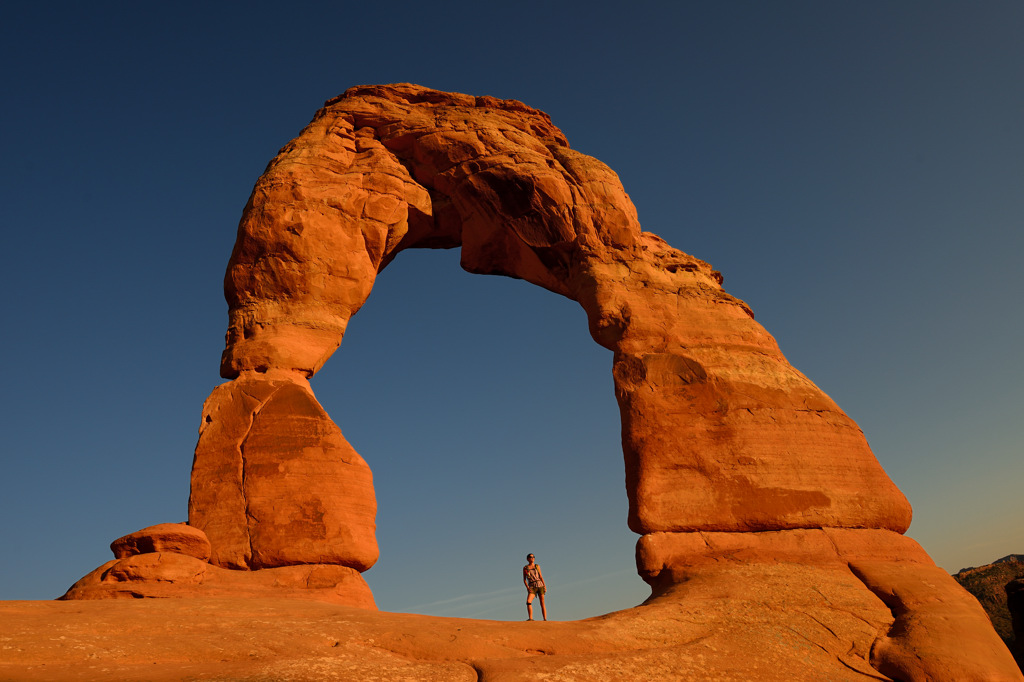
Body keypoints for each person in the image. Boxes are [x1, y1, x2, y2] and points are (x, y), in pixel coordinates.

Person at [522, 553, 547, 621]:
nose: (532, 558)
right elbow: (524, 579)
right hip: (532, 586)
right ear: (527, 559)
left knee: (542, 603)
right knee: (528, 601)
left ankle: (545, 619)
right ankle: (530, 618)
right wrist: (527, 588)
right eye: (530, 557)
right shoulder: (525, 568)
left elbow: (541, 576)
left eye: (533, 557)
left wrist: (544, 586)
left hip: (540, 584)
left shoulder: (537, 566)